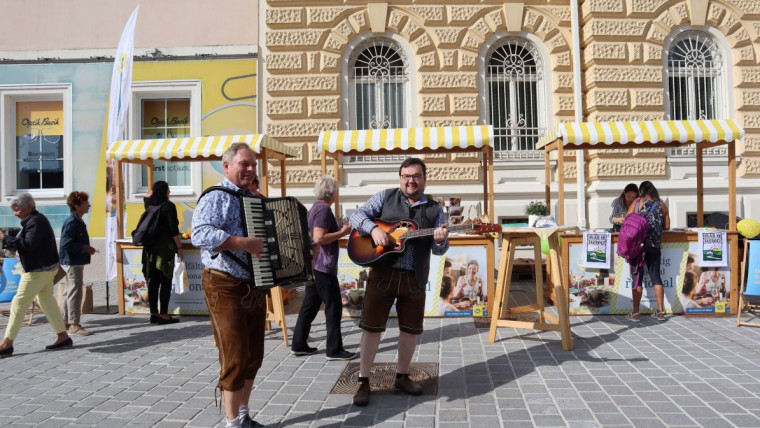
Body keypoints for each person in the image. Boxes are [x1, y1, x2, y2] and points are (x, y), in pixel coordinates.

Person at [349, 157, 449, 406]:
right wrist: (373, 229)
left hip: (414, 278)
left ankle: (402, 376)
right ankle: (363, 381)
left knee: (410, 330)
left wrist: (439, 240)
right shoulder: (384, 197)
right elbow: (356, 215)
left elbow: (439, 251)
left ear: (424, 179)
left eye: (415, 176)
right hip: (382, 273)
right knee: (372, 328)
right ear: (400, 178)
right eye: (405, 176)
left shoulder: (436, 210)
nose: (410, 181)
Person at [192, 142, 266, 428]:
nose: (249, 169)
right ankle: (232, 423)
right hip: (224, 284)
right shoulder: (217, 196)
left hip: (253, 283)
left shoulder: (254, 198)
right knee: (235, 355)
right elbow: (200, 233)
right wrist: (243, 244)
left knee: (253, 356)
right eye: (243, 164)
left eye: (252, 165)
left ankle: (244, 416)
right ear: (227, 167)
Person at [291, 176, 356, 360]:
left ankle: (299, 344)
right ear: (331, 192)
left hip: (315, 264)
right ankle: (334, 349)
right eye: (336, 191)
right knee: (334, 307)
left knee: (309, 307)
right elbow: (319, 237)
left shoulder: (315, 207)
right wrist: (343, 232)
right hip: (323, 265)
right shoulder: (324, 209)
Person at [0, 193, 73, 358]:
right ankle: (63, 336)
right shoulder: (35, 219)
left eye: (17, 210)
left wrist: (7, 239)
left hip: (38, 271)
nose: (15, 213)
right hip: (46, 269)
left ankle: (7, 343)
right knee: (46, 300)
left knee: (18, 303)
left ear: (29, 207)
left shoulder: (35, 221)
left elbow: (29, 245)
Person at [626, 181, 670, 322]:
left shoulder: (637, 203)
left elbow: (627, 220)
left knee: (637, 278)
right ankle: (660, 312)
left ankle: (636, 313)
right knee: (656, 277)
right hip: (654, 246)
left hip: (638, 246)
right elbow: (667, 226)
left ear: (642, 191)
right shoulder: (661, 205)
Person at [142, 180, 183, 325]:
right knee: (165, 281)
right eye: (168, 190)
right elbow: (174, 229)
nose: (170, 192)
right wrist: (179, 247)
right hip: (164, 249)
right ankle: (164, 315)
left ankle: (153, 314)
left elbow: (147, 196)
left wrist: (154, 190)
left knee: (153, 282)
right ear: (165, 192)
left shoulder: (149, 204)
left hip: (150, 249)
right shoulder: (168, 206)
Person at [59, 191, 97, 336]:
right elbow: (66, 243)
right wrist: (85, 248)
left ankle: (64, 320)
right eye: (86, 203)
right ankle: (74, 324)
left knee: (70, 291)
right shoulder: (72, 222)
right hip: (72, 261)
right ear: (77, 206)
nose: (89, 205)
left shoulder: (77, 220)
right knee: (75, 292)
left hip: (74, 260)